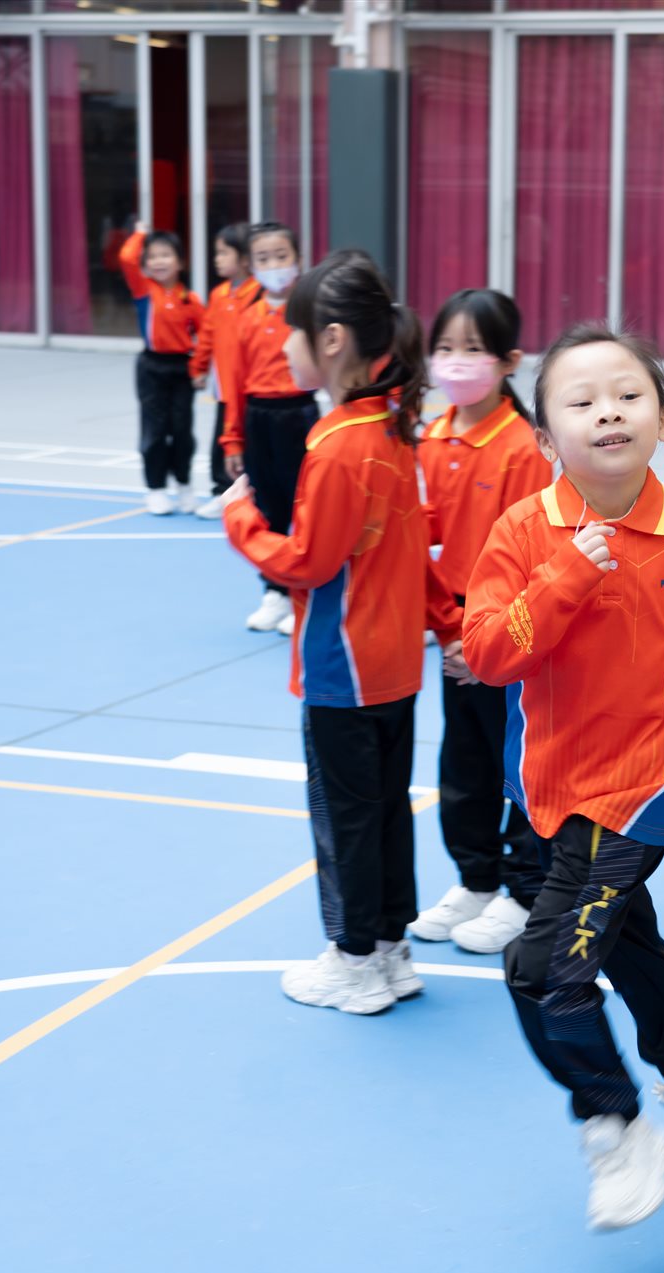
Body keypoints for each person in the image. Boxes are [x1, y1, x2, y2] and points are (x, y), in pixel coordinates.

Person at [461, 323, 664, 1231]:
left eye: (629, 394)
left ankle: (612, 1118)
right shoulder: (525, 533)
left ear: (663, 419)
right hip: (547, 791)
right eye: (582, 400)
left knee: (543, 971)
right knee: (627, 947)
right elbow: (487, 655)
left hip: (641, 789)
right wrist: (565, 575)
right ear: (544, 436)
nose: (608, 411)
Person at [221, 250, 458, 1016]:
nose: (281, 345)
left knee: (344, 818)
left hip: (342, 666)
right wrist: (449, 625)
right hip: (394, 665)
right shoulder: (393, 429)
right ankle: (389, 948)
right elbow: (415, 555)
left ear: (329, 340)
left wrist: (242, 522)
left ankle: (354, 958)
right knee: (385, 811)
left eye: (289, 333)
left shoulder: (337, 445)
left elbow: (307, 564)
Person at [406, 290, 553, 955]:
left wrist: (495, 638)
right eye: (444, 348)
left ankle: (526, 890)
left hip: (508, 629)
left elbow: (534, 558)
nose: (455, 361)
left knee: (517, 762)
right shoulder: (430, 437)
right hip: (454, 629)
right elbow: (423, 535)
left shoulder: (523, 447)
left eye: (473, 348)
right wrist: (446, 629)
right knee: (462, 763)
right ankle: (476, 878)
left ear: (508, 361)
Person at [217, 222, 317, 634]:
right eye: (263, 259)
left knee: (305, 507)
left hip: (300, 414)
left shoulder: (309, 316)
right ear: (251, 266)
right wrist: (232, 439)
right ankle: (274, 591)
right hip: (259, 418)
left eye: (281, 256)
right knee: (268, 507)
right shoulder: (245, 318)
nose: (274, 265)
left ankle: (302, 592)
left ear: (298, 260)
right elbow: (233, 382)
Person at [118, 223, 205, 515]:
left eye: (166, 255)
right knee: (154, 430)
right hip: (151, 367)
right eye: (152, 256)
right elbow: (127, 258)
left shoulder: (190, 299)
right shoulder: (144, 289)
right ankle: (155, 488)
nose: (159, 261)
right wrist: (140, 234)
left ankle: (183, 484)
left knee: (182, 430)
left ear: (180, 262)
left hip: (181, 369)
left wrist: (199, 368)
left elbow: (207, 336)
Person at [191, 223, 260, 521]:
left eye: (223, 253)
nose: (216, 259)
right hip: (224, 388)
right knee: (222, 441)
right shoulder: (219, 295)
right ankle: (222, 492)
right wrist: (199, 366)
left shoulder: (258, 293)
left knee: (253, 442)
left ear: (244, 258)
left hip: (253, 386)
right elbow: (207, 334)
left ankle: (255, 493)